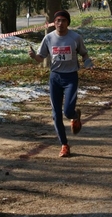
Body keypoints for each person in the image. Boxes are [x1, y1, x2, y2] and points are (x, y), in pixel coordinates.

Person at [29, 10, 93, 158]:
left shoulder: (75, 38)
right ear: (54, 22)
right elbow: (41, 57)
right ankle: (64, 145)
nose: (60, 23)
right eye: (57, 20)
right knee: (56, 114)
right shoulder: (49, 38)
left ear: (68, 23)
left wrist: (88, 63)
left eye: (63, 20)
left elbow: (84, 53)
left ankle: (75, 115)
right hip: (55, 78)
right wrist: (34, 56)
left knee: (67, 111)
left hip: (70, 77)